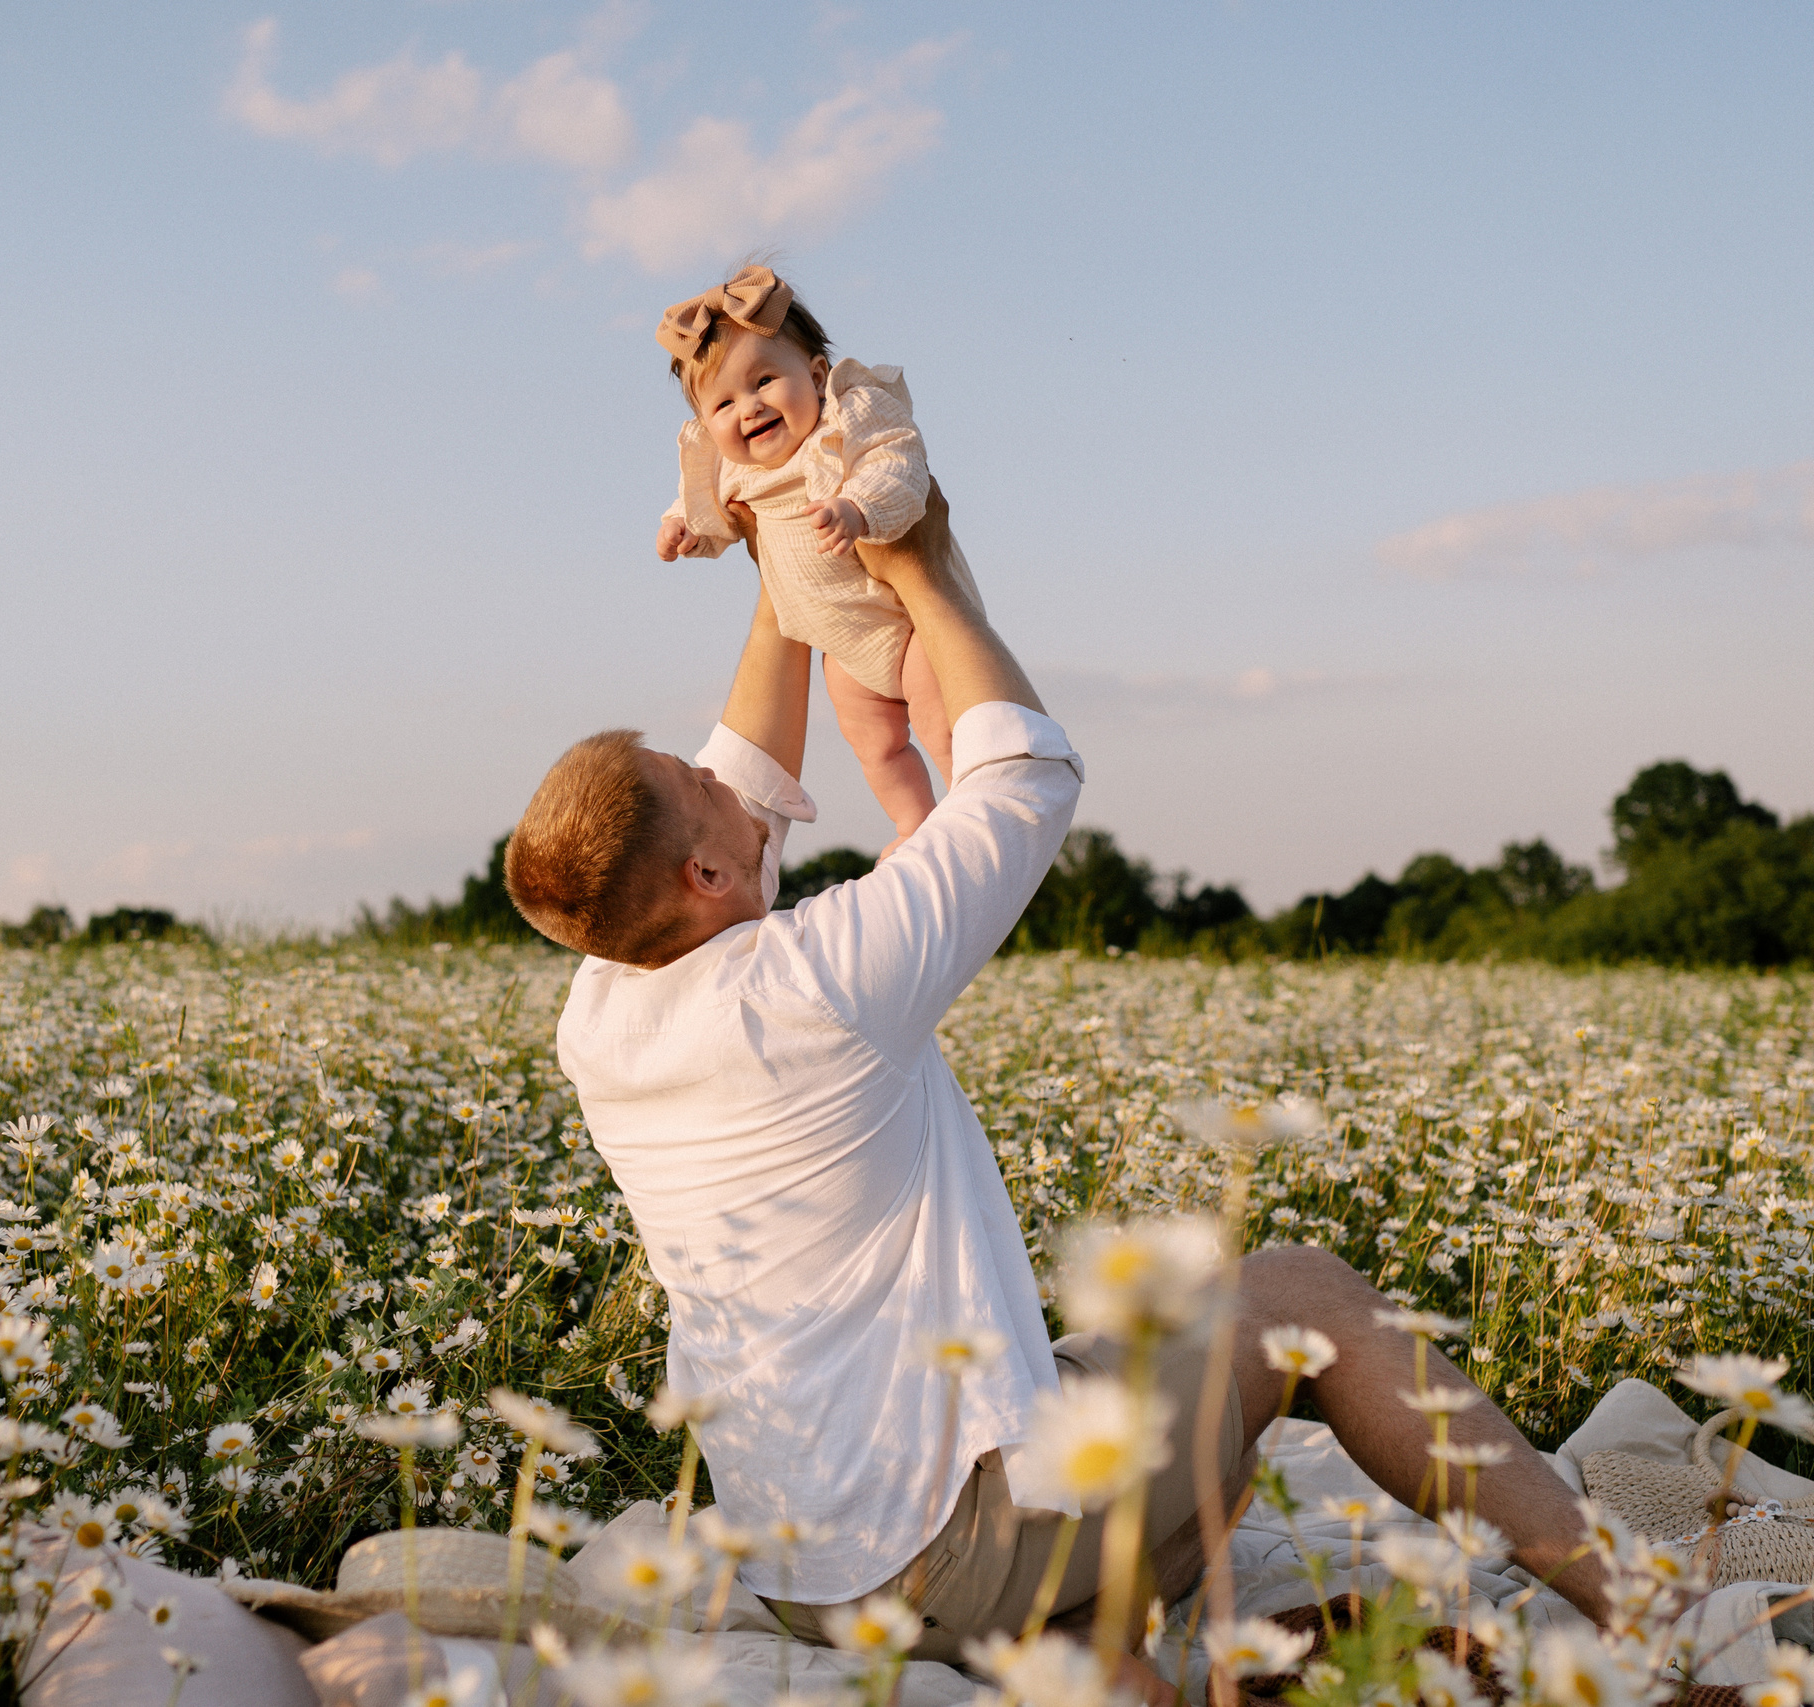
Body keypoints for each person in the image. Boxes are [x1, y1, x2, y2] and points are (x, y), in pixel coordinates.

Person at [503, 495, 1613, 1696]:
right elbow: (1025, 774)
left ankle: (1093, 1650)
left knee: (1099, 1362)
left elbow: (744, 783)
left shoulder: (602, 1009)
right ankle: (1653, 1613)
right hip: (953, 1549)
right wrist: (922, 569)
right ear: (707, 874)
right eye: (687, 772)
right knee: (1305, 1299)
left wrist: (777, 509)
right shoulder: (821, 981)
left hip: (799, 1563)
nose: (714, 762)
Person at [652, 264, 981, 856]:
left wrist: (859, 508)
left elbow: (898, 465)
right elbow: (711, 512)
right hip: (844, 646)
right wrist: (683, 529)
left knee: (939, 723)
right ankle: (914, 824)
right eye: (723, 402)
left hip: (904, 623)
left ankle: (971, 808)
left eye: (764, 381)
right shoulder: (735, 470)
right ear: (705, 423)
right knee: (874, 743)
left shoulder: (847, 421)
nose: (748, 407)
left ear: (817, 374)